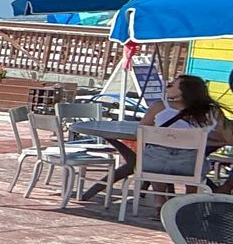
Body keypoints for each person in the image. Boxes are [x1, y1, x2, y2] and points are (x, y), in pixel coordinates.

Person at [88, 73, 232, 198]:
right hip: (190, 168)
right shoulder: (213, 112)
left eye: (171, 85)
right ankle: (190, 199)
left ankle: (160, 202)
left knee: (156, 154)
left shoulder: (159, 107)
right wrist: (209, 139)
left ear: (183, 91)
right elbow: (229, 138)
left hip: (153, 166)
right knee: (192, 158)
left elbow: (140, 133)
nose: (167, 87)